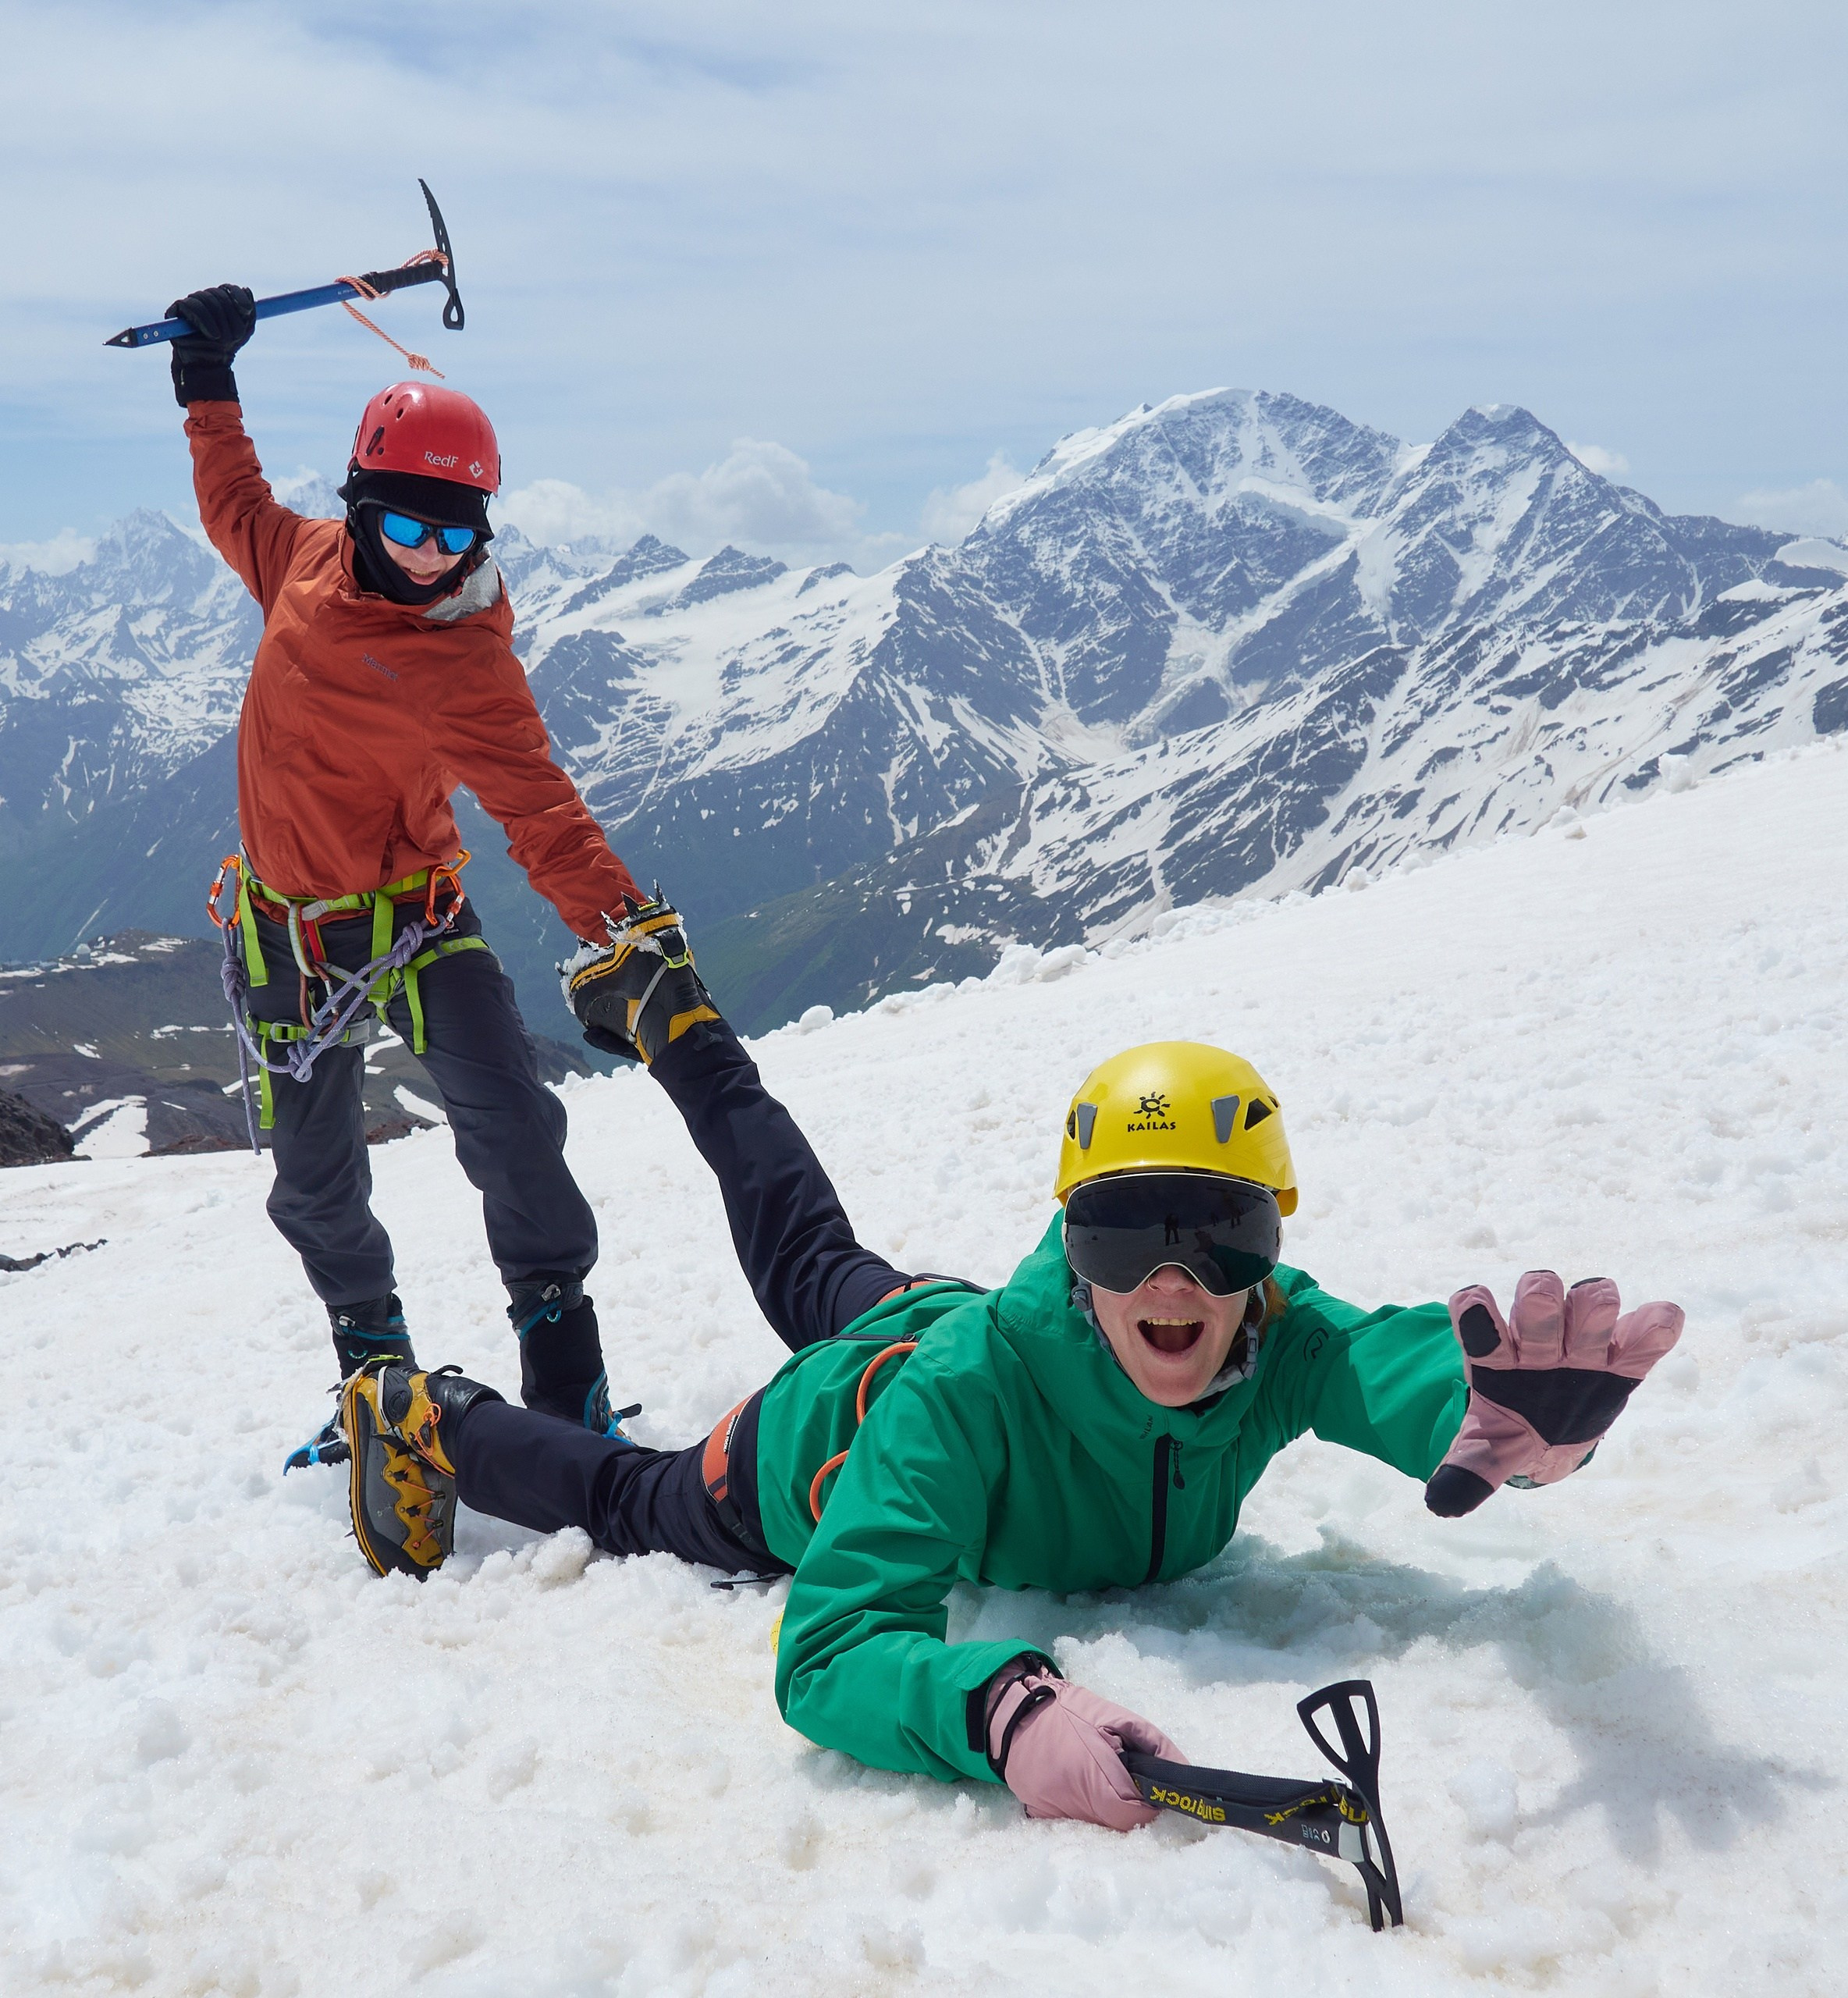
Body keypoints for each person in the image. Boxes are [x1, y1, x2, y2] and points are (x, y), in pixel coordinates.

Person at [338, 930, 1684, 1831]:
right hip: (821, 1441)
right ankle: (430, 1416)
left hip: (948, 1320)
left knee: (813, 1252)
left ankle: (679, 1025)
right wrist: (998, 1708)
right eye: (1123, 1234)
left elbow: (1393, 1363)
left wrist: (1503, 1421)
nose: (1175, 1281)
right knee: (638, 1496)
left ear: (1268, 1247)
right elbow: (831, 1650)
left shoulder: (1271, 1339)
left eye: (1218, 1235)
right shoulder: (964, 1402)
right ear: (1073, 1251)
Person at [166, 283, 682, 1466]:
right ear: (359, 509)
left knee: (511, 1124)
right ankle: (373, 1379)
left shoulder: (464, 657)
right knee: (313, 1180)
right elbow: (233, 500)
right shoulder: (297, 561)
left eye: (458, 536)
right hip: (285, 938)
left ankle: (564, 1366)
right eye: (410, 527)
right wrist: (204, 380)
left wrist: (628, 929)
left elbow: (539, 810)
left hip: (414, 921)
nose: (432, 558)